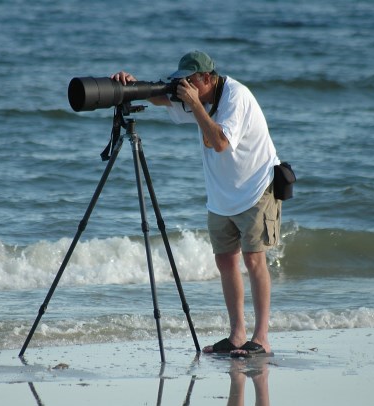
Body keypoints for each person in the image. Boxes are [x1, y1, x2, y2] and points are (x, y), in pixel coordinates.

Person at [111, 51, 281, 357]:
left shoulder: (235, 97)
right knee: (226, 260)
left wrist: (193, 104)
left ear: (206, 78)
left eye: (189, 81)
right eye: (181, 82)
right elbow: (163, 100)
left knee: (254, 260)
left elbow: (219, 142)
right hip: (221, 194)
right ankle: (237, 335)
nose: (184, 87)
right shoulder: (197, 96)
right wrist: (133, 86)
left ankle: (262, 338)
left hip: (256, 188)